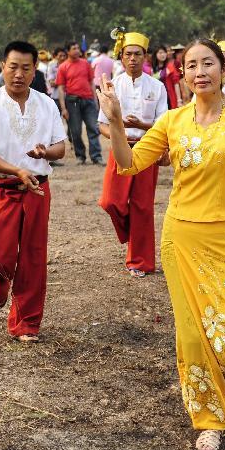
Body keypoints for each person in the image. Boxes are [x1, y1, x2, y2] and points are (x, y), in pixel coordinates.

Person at [96, 38, 225, 450]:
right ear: (183, 74)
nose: (200, 72)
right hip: (181, 238)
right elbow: (129, 163)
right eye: (192, 65)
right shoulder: (173, 121)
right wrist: (112, 121)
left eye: (208, 64)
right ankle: (209, 418)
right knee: (193, 338)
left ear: (224, 68)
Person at [0, 41, 67, 342]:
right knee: (0, 257)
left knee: (33, 255)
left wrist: (45, 152)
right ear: (3, 66)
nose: (18, 74)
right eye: (13, 66)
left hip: (38, 188)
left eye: (25, 68)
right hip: (2, 186)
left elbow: (60, 147)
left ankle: (26, 322)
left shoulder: (47, 103)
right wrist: (17, 170)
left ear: (34, 70)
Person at [97, 30, 168, 278]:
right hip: (120, 147)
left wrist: (141, 126)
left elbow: (163, 124)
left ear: (145, 57)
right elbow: (102, 125)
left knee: (142, 206)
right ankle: (130, 233)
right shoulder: (112, 85)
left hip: (147, 148)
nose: (133, 59)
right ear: (122, 57)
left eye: (138, 54)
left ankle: (140, 261)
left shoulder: (157, 87)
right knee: (110, 200)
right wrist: (118, 132)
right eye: (128, 54)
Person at [56, 41, 102, 164]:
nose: (77, 50)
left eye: (78, 48)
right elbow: (60, 89)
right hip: (72, 102)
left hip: (88, 101)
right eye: (74, 48)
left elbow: (92, 83)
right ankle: (80, 156)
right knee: (75, 131)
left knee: (93, 128)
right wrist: (63, 108)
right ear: (68, 51)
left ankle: (96, 156)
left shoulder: (86, 63)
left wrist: (95, 100)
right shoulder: (63, 67)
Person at [163, 44, 185, 109]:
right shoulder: (162, 65)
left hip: (176, 87)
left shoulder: (176, 63)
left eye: (170, 51)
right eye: (167, 51)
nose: (169, 53)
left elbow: (181, 76)